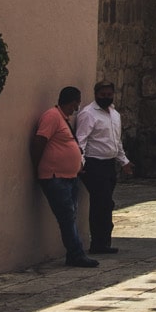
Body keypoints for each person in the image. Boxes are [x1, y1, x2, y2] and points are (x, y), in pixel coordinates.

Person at [31, 87, 97, 269]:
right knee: (66, 217)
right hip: (55, 176)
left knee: (70, 215)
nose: (77, 108)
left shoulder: (63, 119)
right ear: (73, 102)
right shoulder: (52, 116)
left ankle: (74, 253)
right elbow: (39, 142)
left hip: (68, 176)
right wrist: (38, 168)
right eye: (77, 103)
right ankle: (76, 254)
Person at [75, 81, 132, 256]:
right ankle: (98, 243)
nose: (106, 98)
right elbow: (81, 141)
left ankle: (104, 241)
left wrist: (124, 161)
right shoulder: (88, 114)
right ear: (96, 94)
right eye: (103, 95)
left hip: (109, 164)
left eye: (109, 95)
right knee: (101, 202)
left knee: (106, 204)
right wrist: (80, 162)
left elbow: (116, 141)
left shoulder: (114, 114)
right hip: (94, 164)